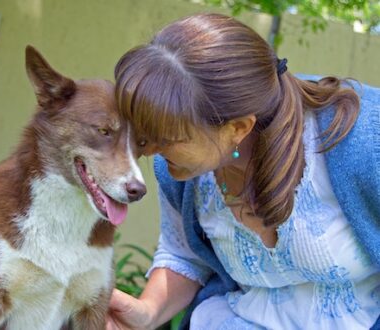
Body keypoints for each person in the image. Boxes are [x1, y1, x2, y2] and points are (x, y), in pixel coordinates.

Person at [107, 13, 380, 330]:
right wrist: (148, 312)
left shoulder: (363, 142)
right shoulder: (178, 170)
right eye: (144, 133)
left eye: (166, 139)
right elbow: (185, 254)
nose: (148, 150)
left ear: (238, 128)